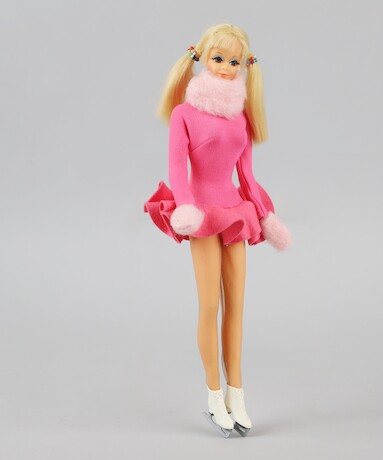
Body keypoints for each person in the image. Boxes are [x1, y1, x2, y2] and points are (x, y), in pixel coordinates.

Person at [144, 23, 291, 437]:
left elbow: (247, 175)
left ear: (244, 65)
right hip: (202, 214)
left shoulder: (241, 117)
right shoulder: (184, 114)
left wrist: (265, 214)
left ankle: (236, 393)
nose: (226, 68)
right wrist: (185, 208)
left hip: (234, 213)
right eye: (219, 59)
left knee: (237, 307)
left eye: (234, 61)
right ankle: (213, 394)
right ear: (202, 58)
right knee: (210, 305)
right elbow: (177, 168)